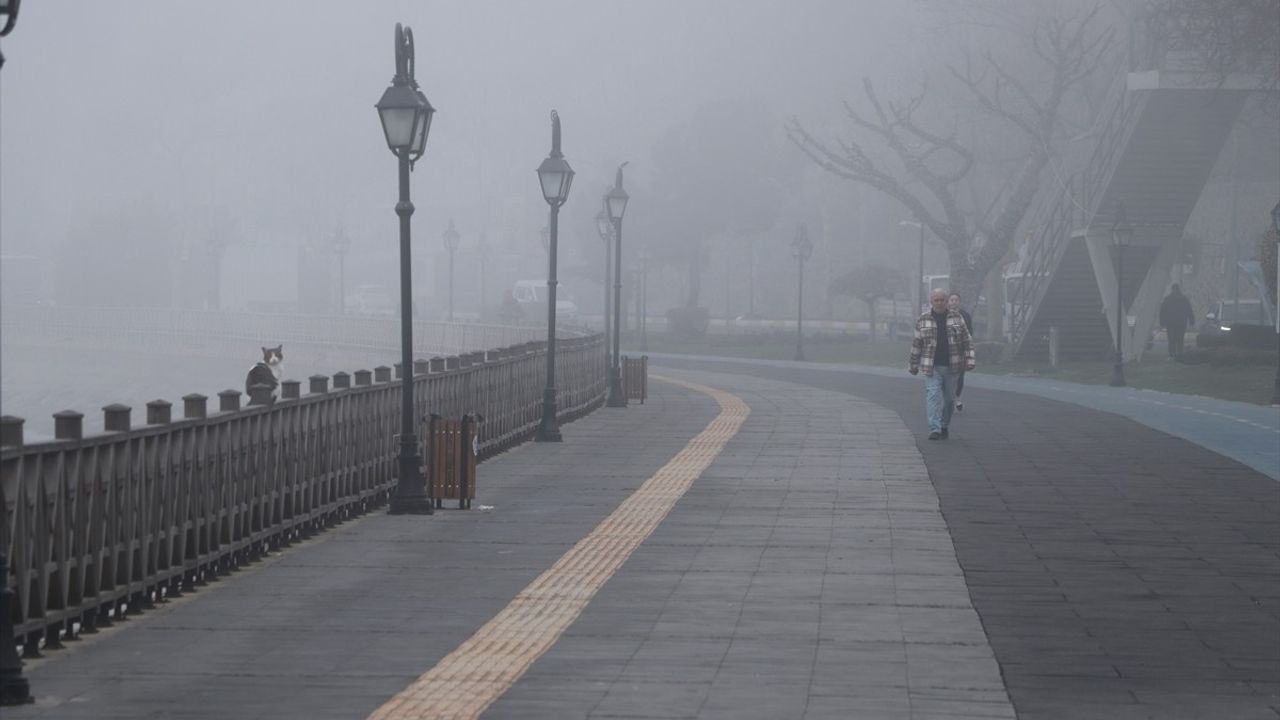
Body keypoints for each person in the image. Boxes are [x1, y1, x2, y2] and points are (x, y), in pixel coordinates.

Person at [908, 289, 975, 440]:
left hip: (953, 365)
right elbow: (916, 344)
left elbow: (967, 340)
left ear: (946, 301)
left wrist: (970, 359)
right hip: (932, 366)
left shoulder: (957, 318)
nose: (939, 303)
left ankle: (944, 424)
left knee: (950, 399)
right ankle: (935, 428)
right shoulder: (923, 319)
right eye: (936, 300)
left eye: (942, 300)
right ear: (931, 302)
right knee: (933, 396)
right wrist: (913, 364)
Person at [948, 293, 974, 412]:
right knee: (947, 375)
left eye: (956, 300)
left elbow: (969, 333)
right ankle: (949, 398)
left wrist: (968, 350)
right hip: (947, 351)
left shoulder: (965, 316)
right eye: (952, 300)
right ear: (948, 301)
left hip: (961, 351)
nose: (954, 302)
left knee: (959, 377)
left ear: (959, 301)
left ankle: (957, 398)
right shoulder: (945, 315)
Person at [1158, 284, 1195, 359]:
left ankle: (1172, 354)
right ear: (1178, 289)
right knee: (1180, 339)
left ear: (1172, 289)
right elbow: (1189, 310)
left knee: (1171, 339)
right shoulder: (1184, 299)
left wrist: (1162, 322)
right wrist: (1191, 320)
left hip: (1170, 323)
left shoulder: (1167, 299)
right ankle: (1179, 354)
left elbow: (1162, 311)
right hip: (1181, 323)